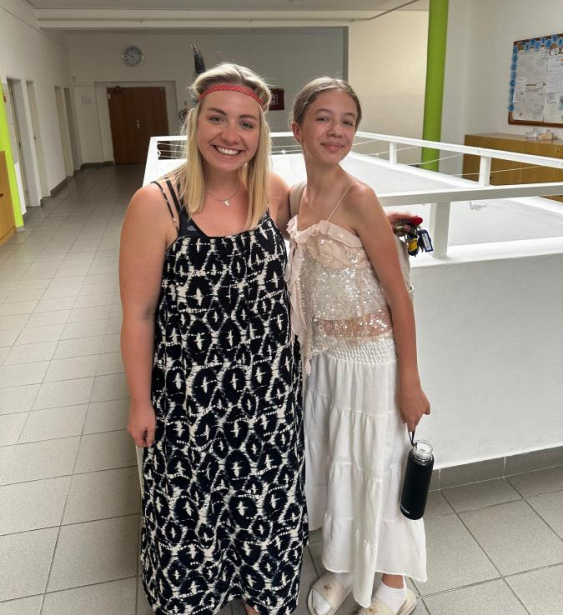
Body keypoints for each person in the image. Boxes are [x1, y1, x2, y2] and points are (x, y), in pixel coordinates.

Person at [120, 63, 307, 615]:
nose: (231, 135)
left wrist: (381, 221)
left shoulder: (272, 192)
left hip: (268, 395)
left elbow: (327, 223)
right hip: (189, 400)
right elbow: (138, 314)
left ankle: (261, 597)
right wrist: (140, 401)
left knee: (265, 506)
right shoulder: (157, 204)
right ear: (194, 122)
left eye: (246, 123)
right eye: (217, 119)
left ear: (260, 133)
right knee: (190, 513)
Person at [286, 78, 430, 615]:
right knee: (335, 463)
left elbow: (399, 295)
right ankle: (344, 569)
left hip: (371, 360)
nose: (336, 130)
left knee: (378, 467)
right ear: (297, 128)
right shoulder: (295, 196)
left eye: (347, 121)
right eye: (323, 118)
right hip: (322, 358)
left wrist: (410, 382)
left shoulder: (361, 197)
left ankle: (394, 584)